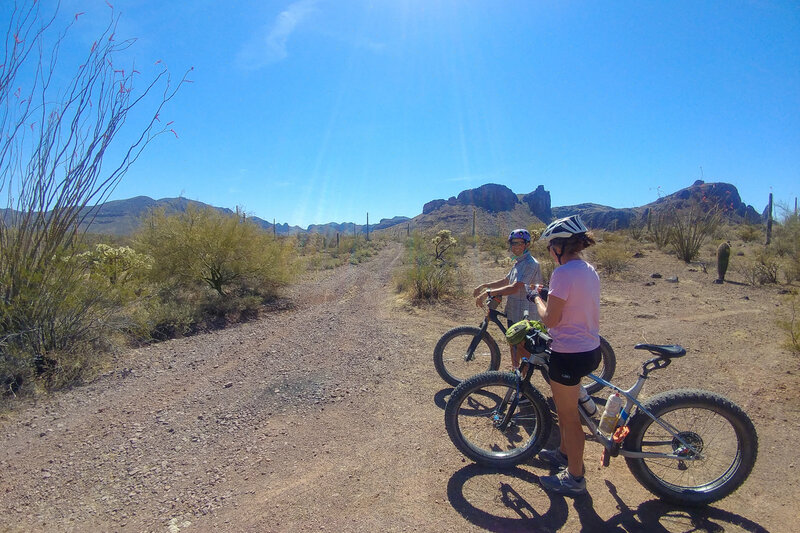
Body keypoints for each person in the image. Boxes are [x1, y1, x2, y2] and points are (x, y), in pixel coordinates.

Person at [530, 214, 601, 496]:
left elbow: (550, 320)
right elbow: (571, 299)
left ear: (559, 246)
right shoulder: (588, 269)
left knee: (569, 417)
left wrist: (536, 298)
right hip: (590, 348)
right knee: (565, 408)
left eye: (550, 246)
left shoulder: (562, 273)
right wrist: (548, 293)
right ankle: (563, 453)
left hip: (569, 353)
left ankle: (575, 478)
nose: (549, 251)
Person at [473, 229, 543, 369]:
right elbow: (506, 281)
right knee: (514, 343)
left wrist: (488, 293)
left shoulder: (530, 263)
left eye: (519, 243)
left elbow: (515, 287)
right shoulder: (519, 262)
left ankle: (522, 385)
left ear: (527, 244)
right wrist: (485, 285)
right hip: (514, 310)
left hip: (525, 313)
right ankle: (515, 374)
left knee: (522, 348)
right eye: (513, 243)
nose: (515, 246)